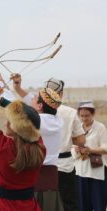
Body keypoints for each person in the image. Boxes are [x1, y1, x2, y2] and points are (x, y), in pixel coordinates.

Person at [0, 57, 63, 211]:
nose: (31, 98)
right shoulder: (56, 119)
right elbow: (23, 100)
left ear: (40, 105)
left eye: (35, 98)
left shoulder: (40, 121)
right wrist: (18, 86)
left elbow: (11, 102)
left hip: (35, 184)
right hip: (49, 184)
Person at [0, 67, 46, 211]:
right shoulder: (40, 148)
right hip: (30, 206)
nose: (6, 123)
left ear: (17, 128)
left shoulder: (2, 147)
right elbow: (27, 117)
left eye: (10, 121)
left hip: (3, 207)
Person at [44, 78, 86, 211]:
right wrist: (69, 139)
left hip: (44, 165)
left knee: (46, 203)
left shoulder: (38, 111)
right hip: (65, 166)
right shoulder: (70, 112)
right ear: (61, 93)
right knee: (69, 204)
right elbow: (81, 141)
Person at [71, 101, 107, 211]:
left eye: (87, 115)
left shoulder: (100, 127)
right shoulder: (77, 129)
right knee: (82, 205)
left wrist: (90, 150)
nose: (84, 118)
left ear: (93, 114)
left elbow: (105, 148)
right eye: (82, 116)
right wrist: (76, 150)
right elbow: (71, 148)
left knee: (99, 204)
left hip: (97, 172)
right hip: (81, 171)